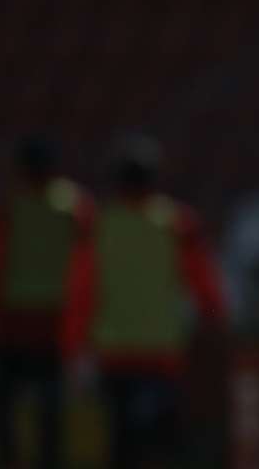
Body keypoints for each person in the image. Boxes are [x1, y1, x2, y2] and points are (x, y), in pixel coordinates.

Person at [62, 136, 226, 469]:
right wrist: (215, 319)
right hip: (162, 352)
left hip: (114, 353)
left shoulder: (98, 227)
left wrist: (73, 349)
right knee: (160, 442)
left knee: (122, 444)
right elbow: (206, 287)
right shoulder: (178, 224)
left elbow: (80, 293)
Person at [0, 136, 94, 469]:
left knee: (3, 408)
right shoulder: (76, 207)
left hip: (11, 323)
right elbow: (90, 268)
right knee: (50, 411)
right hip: (54, 323)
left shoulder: (5, 207)